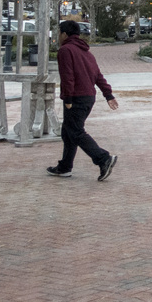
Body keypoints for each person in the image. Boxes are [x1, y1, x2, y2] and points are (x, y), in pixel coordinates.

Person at [48, 20, 119, 181]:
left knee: (76, 132)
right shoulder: (86, 52)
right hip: (88, 97)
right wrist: (108, 95)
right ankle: (65, 167)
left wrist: (67, 98)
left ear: (64, 34)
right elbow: (98, 75)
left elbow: (67, 76)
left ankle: (103, 158)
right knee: (68, 132)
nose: (58, 36)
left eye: (59, 32)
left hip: (76, 98)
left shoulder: (66, 50)